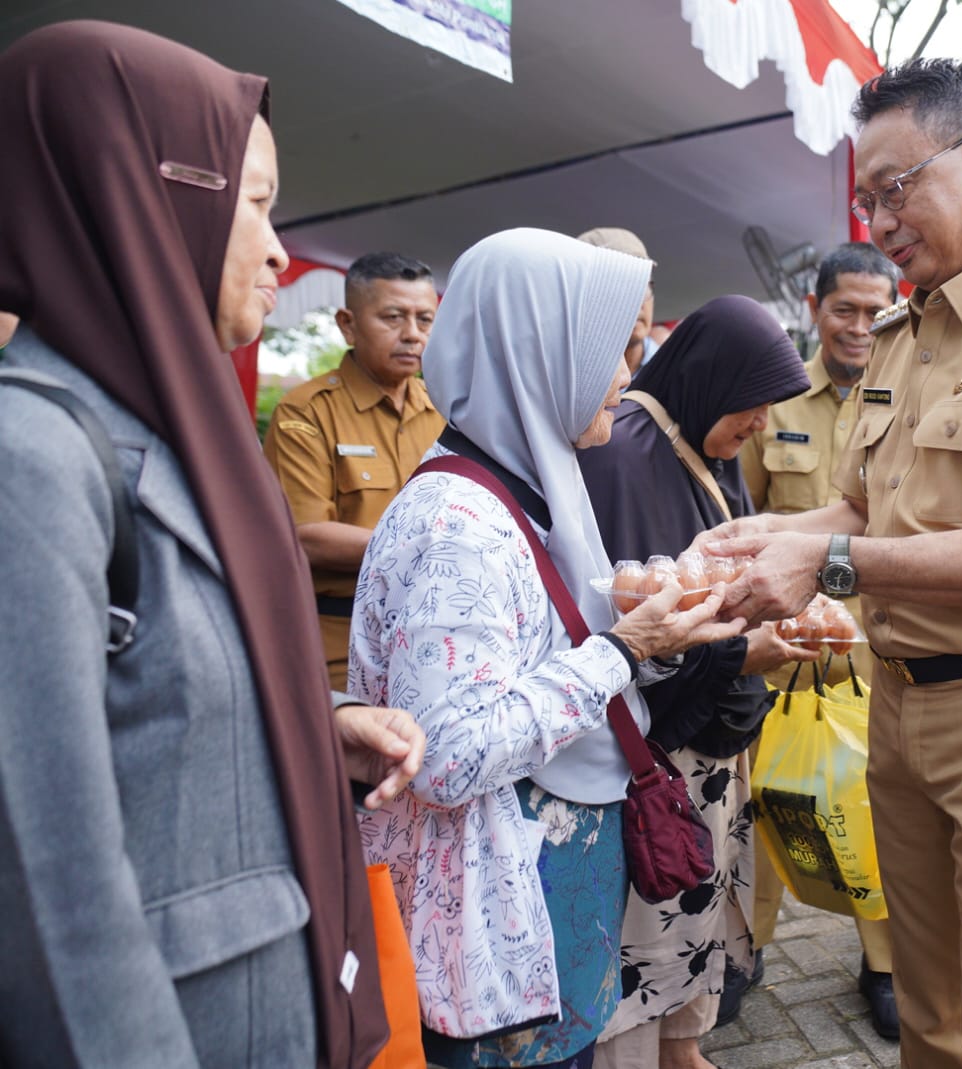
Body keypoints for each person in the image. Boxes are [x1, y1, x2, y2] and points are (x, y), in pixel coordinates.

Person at [695, 58, 962, 1069]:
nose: (881, 219)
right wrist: (767, 538)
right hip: (898, 700)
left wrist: (829, 567)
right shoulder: (900, 333)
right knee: (928, 1003)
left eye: (898, 187)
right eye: (865, 198)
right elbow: (861, 503)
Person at [0, 21, 425, 1067]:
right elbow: (48, 888)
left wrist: (316, 719)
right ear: (147, 198)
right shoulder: (32, 459)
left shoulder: (174, 434)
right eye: (257, 204)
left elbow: (145, 698)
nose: (281, 252)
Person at [350, 229, 745, 1068]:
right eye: (611, 350)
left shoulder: (525, 487)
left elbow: (550, 658)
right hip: (486, 932)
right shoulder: (455, 523)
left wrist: (652, 640)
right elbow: (447, 755)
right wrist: (625, 648)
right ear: (541, 354)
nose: (626, 378)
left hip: (535, 901)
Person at [578, 295, 812, 1069]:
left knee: (697, 899)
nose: (759, 425)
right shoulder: (627, 452)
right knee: (652, 911)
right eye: (750, 406)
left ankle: (682, 1048)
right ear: (712, 380)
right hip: (657, 747)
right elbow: (635, 628)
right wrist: (742, 653)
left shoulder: (695, 446)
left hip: (712, 739)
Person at [738, 242, 902, 1038]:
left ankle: (883, 961)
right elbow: (750, 511)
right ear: (816, 309)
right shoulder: (777, 402)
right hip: (787, 650)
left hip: (876, 647)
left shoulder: (903, 395)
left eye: (877, 311)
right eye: (846, 309)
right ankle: (748, 944)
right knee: (770, 792)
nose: (861, 326)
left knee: (875, 804)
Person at [264, 252, 444, 688]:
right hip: (335, 645)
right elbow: (306, 536)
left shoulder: (443, 411)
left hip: (429, 638)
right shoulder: (307, 411)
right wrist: (432, 546)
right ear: (347, 324)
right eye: (393, 317)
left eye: (425, 319)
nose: (412, 335)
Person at [577, 227, 656, 373]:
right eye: (620, 286)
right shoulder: (564, 376)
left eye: (644, 284)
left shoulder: (676, 371)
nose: (637, 301)